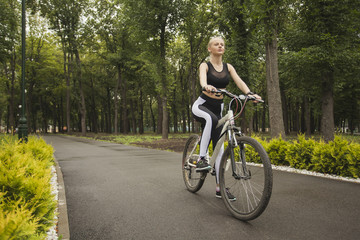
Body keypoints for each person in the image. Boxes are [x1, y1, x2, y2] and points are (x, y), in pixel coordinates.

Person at [191, 36, 261, 200]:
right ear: (210, 48)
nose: (220, 46)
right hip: (202, 106)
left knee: (220, 148)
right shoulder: (205, 65)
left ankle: (219, 188)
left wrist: (250, 94)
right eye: (216, 44)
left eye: (222, 44)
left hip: (218, 109)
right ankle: (201, 159)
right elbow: (202, 77)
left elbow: (239, 82)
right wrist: (205, 85)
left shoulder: (228, 67)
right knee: (211, 120)